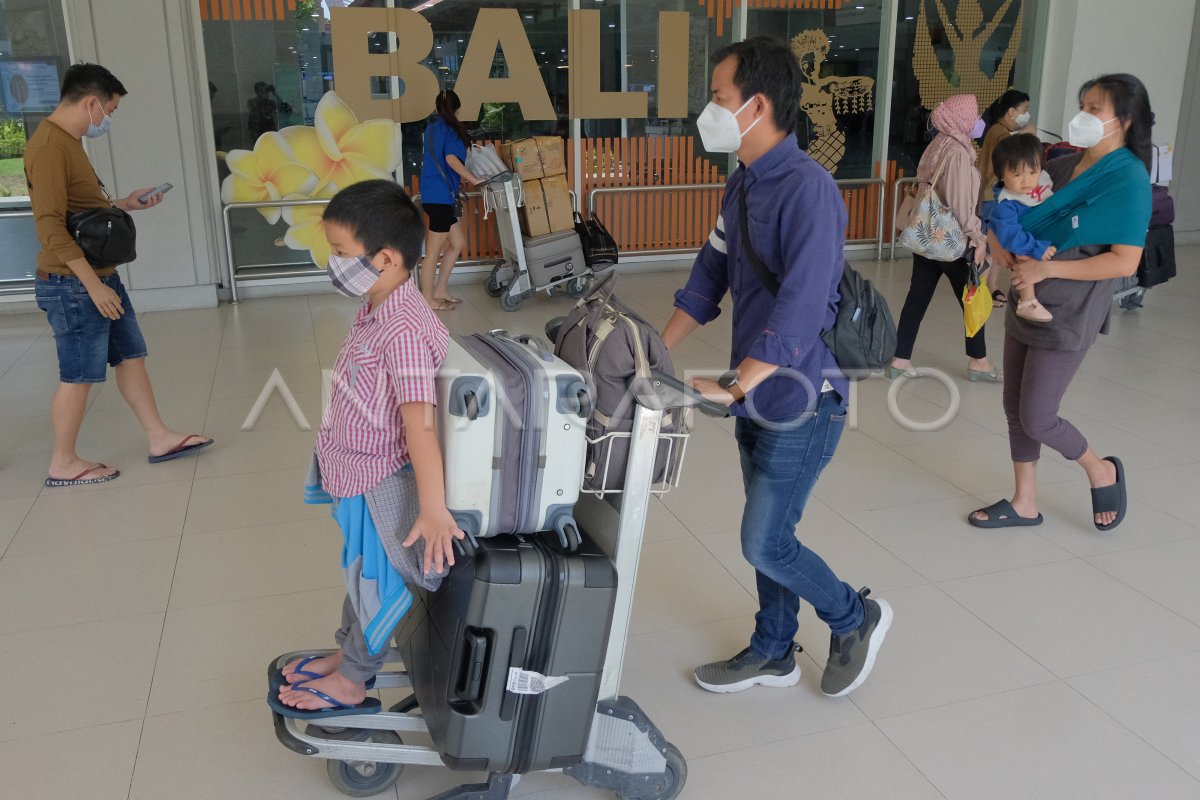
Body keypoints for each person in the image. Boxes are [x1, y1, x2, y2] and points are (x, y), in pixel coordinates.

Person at [660, 37, 891, 699]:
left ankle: (853, 615)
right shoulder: (741, 185)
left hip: (804, 399)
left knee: (764, 542)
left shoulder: (809, 190)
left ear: (756, 106)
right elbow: (707, 282)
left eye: (719, 98)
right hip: (757, 396)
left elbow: (802, 306)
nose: (710, 110)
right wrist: (653, 348)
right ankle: (772, 650)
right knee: (773, 532)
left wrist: (736, 382)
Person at [276, 180, 464, 713]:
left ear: (384, 257)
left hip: (380, 482)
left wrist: (431, 508)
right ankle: (347, 655)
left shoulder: (403, 326)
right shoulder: (378, 303)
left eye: (339, 253)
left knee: (378, 582)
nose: (332, 263)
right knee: (358, 572)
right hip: (358, 474)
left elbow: (420, 425)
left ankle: (354, 678)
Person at [970, 73, 1153, 533]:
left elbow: (1123, 261)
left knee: (1038, 414)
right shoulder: (1060, 164)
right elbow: (1009, 206)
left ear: (1124, 121)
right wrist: (996, 239)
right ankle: (1025, 501)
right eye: (1083, 105)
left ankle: (1099, 469)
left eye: (1095, 109)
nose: (1083, 116)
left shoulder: (1127, 179)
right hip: (1026, 296)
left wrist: (1048, 269)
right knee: (1014, 406)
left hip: (1068, 308)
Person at [26, 63, 212, 488]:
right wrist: (92, 286)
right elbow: (50, 226)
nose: (107, 119)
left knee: (130, 356)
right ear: (91, 102)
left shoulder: (68, 142)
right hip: (74, 284)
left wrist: (124, 204)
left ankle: (159, 436)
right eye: (109, 110)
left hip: (99, 277)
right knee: (80, 374)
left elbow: (81, 213)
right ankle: (63, 462)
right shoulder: (50, 146)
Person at [889, 94, 1002, 383]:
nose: (978, 122)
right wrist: (976, 237)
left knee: (918, 295)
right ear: (962, 120)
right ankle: (979, 360)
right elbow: (961, 200)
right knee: (972, 297)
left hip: (927, 235)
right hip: (952, 239)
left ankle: (900, 359)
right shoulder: (958, 152)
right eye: (974, 116)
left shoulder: (937, 143)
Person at [417, 89, 481, 311]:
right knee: (433, 252)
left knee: (457, 244)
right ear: (457, 108)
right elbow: (451, 158)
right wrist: (474, 179)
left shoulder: (432, 127)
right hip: (440, 196)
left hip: (435, 194)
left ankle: (440, 289)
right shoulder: (452, 129)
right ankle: (427, 299)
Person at [987, 133, 1056, 322]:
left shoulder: (1042, 180)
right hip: (1025, 244)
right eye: (1017, 174)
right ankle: (1027, 301)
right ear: (1002, 175)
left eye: (1033, 172)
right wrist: (1035, 248)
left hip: (1042, 238)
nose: (1026, 181)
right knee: (1023, 258)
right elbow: (1011, 237)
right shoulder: (1006, 203)